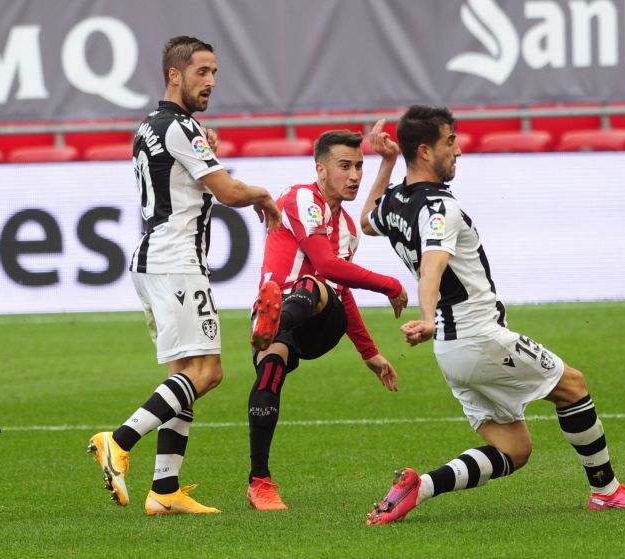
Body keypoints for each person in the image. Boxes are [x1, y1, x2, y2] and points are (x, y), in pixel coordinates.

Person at [360, 106, 625, 525]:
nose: (458, 150)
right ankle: (607, 492)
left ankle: (420, 487)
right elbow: (432, 267)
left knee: (514, 449)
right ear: (426, 151)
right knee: (572, 386)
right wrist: (426, 317)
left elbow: (367, 221)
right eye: (451, 141)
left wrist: (387, 163)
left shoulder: (396, 201)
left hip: (451, 352)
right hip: (477, 336)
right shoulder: (439, 208)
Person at [88, 36, 281, 515]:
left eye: (214, 72)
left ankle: (165, 489)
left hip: (155, 259)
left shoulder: (149, 126)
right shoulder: (180, 127)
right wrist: (263, 195)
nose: (211, 81)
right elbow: (228, 191)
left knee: (182, 375)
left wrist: (203, 146)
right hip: (176, 261)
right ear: (174, 75)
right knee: (208, 372)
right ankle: (119, 440)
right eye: (201, 71)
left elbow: (181, 176)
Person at [245, 125, 408, 511]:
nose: (354, 176)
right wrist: (389, 284)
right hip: (282, 314)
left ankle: (273, 323)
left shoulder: (348, 229)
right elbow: (326, 263)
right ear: (320, 169)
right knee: (269, 373)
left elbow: (338, 287)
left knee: (314, 284)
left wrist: (369, 352)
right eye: (344, 166)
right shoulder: (303, 198)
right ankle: (259, 483)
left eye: (359, 166)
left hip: (318, 323)